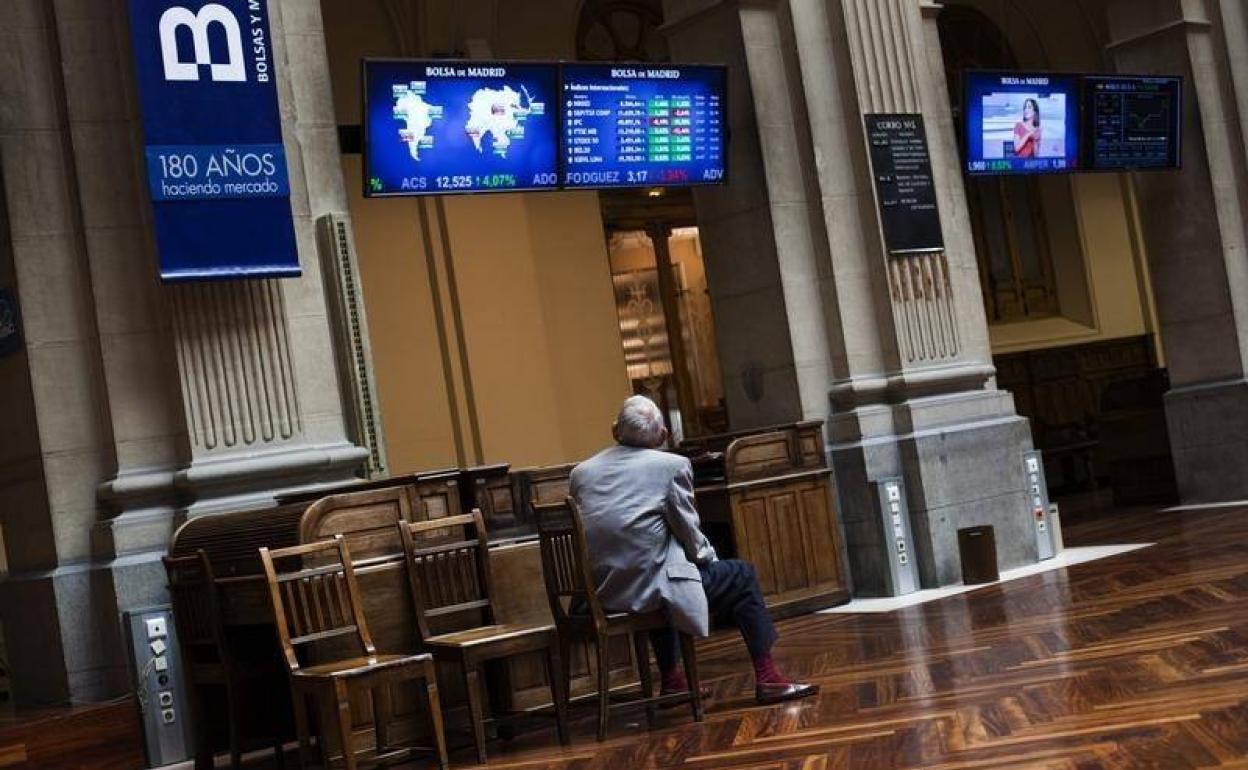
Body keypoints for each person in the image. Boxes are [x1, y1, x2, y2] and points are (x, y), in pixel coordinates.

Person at [569, 395, 819, 705]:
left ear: (614, 430)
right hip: (648, 590)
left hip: (603, 594)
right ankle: (768, 678)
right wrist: (708, 559)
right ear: (663, 436)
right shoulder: (672, 466)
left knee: (661, 570)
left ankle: (673, 680)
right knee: (740, 575)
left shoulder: (581, 473)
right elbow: (691, 535)